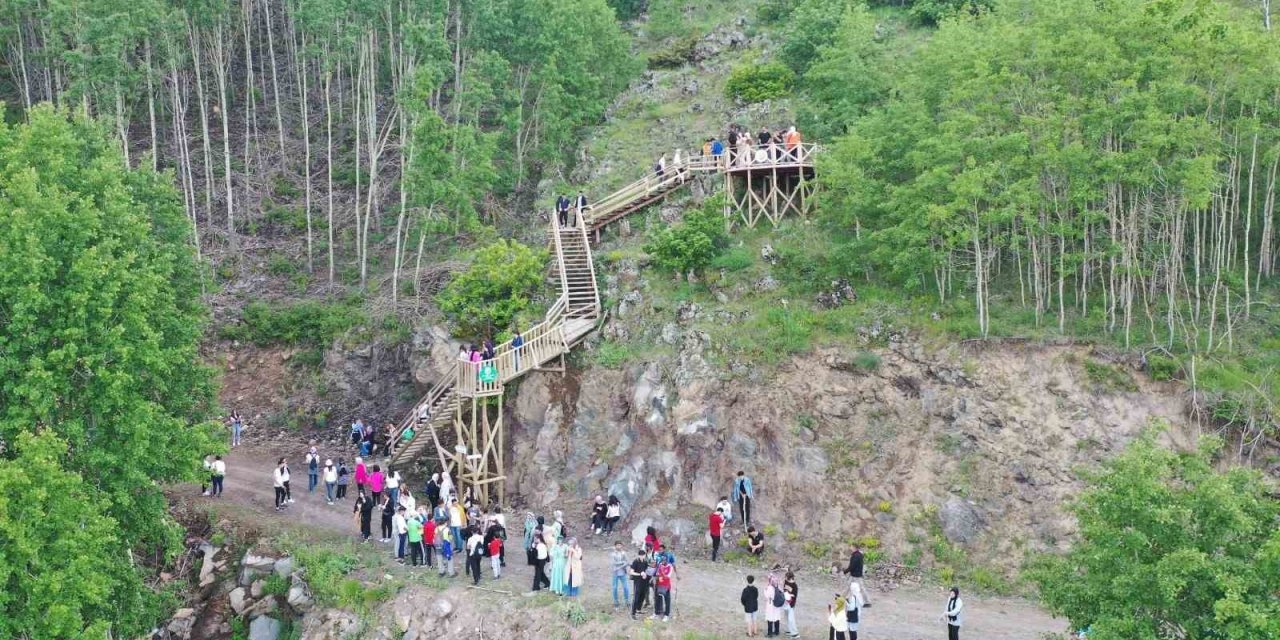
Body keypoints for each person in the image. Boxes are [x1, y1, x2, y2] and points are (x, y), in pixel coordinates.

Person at [629, 549, 651, 620]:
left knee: (643, 595)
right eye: (640, 555)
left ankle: (638, 609)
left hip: (644, 581)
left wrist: (645, 574)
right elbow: (631, 572)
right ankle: (633, 613)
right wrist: (640, 574)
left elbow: (646, 570)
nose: (642, 556)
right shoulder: (635, 561)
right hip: (637, 581)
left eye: (643, 555)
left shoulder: (645, 562)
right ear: (638, 555)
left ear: (645, 555)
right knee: (636, 597)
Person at [610, 541, 631, 609]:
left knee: (626, 587)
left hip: (622, 572)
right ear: (615, 546)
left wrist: (623, 563)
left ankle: (627, 601)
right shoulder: (613, 554)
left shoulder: (623, 553)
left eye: (620, 545)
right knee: (615, 587)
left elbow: (627, 561)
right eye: (617, 545)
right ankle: (616, 602)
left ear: (621, 546)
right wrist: (622, 562)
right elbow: (613, 563)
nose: (619, 546)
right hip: (615, 572)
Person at [654, 555, 673, 621]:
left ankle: (666, 615)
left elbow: (667, 576)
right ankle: (656, 613)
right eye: (662, 560)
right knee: (657, 599)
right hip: (659, 585)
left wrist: (661, 572)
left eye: (664, 560)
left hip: (666, 586)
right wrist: (659, 576)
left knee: (667, 600)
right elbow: (657, 574)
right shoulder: (660, 565)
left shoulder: (670, 566)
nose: (662, 562)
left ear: (667, 560)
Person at [783, 571, 800, 638]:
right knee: (786, 617)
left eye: (786, 577)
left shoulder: (794, 586)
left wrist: (789, 597)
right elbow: (784, 589)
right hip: (785, 603)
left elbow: (794, 596)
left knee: (791, 619)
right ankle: (789, 630)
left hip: (791, 604)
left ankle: (795, 633)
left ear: (789, 577)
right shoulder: (786, 581)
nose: (785, 578)